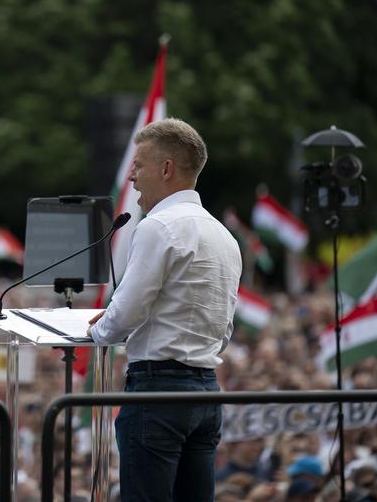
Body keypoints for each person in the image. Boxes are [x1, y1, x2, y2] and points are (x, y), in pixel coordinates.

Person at [88, 117, 242, 502]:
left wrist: (95, 331)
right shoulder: (225, 236)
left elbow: (124, 314)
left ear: (166, 169)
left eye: (138, 165)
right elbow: (224, 330)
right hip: (205, 392)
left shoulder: (158, 226)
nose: (131, 178)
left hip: (157, 392)